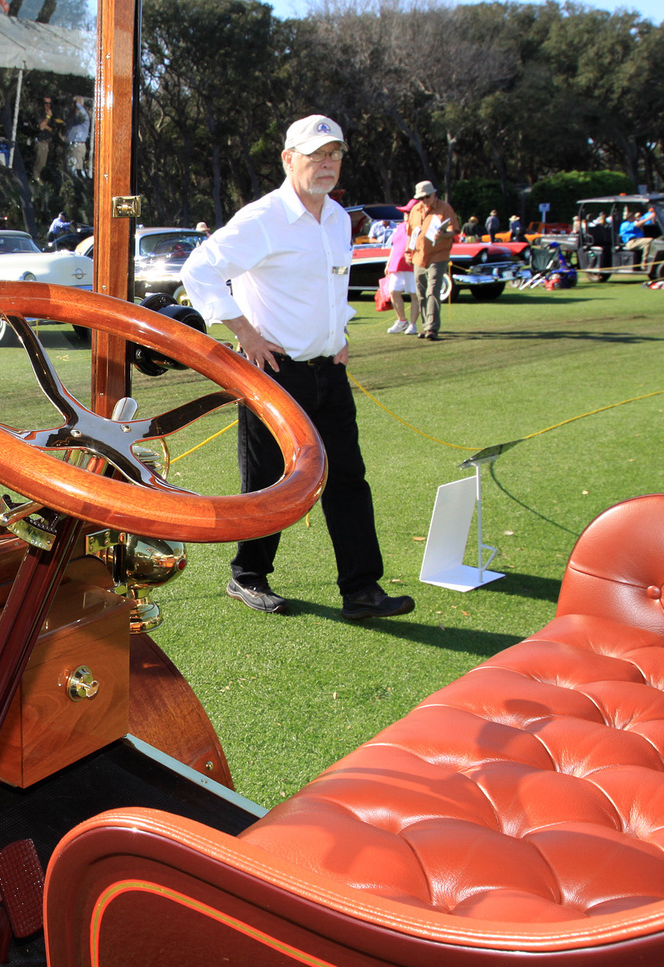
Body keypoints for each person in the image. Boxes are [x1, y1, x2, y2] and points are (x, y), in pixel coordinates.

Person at [180, 114, 414, 622]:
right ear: (289, 159)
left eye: (334, 154)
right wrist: (244, 332)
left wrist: (341, 334)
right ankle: (247, 577)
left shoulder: (334, 217)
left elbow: (330, 288)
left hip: (329, 370)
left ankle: (362, 590)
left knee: (348, 478)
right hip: (275, 373)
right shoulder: (263, 218)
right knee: (268, 482)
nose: (326, 164)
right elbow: (198, 270)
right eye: (315, 155)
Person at [405, 180, 458, 341]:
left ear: (434, 194)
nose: (424, 200)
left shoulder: (445, 208)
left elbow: (453, 230)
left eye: (427, 197)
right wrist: (408, 252)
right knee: (421, 293)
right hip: (418, 257)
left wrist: (444, 235)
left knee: (433, 290)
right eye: (421, 198)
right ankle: (425, 324)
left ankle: (432, 328)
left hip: (438, 255)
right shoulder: (415, 209)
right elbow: (411, 234)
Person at [384, 202, 419, 336]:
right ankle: (402, 321)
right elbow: (394, 246)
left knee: (414, 295)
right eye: (405, 212)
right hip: (397, 264)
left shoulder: (418, 228)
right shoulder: (400, 227)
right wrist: (388, 263)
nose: (406, 215)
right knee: (393, 292)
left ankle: (413, 324)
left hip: (412, 265)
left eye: (408, 212)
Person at [32, 97, 62, 182]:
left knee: (46, 164)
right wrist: (48, 117)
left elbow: (52, 129)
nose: (48, 105)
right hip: (41, 141)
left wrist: (47, 125)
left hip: (49, 142)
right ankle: (36, 180)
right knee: (40, 164)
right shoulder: (40, 114)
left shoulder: (52, 115)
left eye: (49, 103)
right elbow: (41, 127)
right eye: (46, 103)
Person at [64, 96, 90, 177]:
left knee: (77, 171)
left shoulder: (83, 116)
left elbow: (81, 114)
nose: (73, 105)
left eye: (74, 104)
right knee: (69, 171)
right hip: (71, 146)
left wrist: (78, 104)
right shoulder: (73, 117)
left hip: (78, 146)